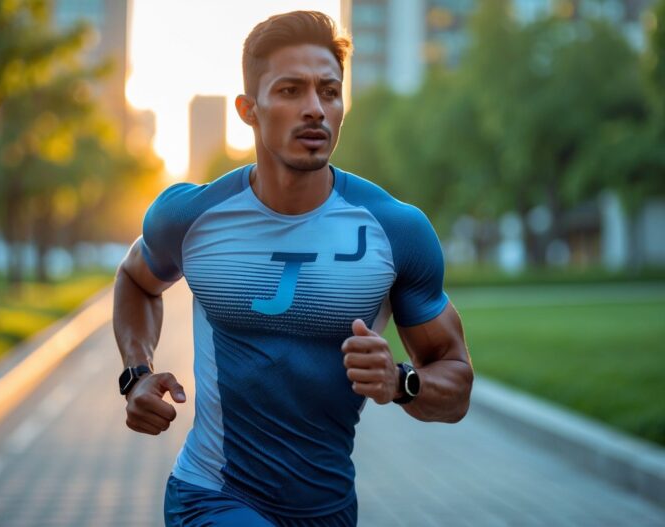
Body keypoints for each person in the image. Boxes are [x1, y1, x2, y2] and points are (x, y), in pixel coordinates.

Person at [113, 10, 473, 527]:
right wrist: (137, 374)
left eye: (329, 92)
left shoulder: (396, 230)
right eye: (290, 91)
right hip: (210, 495)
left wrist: (400, 382)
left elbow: (456, 384)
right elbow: (135, 279)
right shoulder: (192, 216)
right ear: (249, 109)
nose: (314, 109)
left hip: (329, 509)